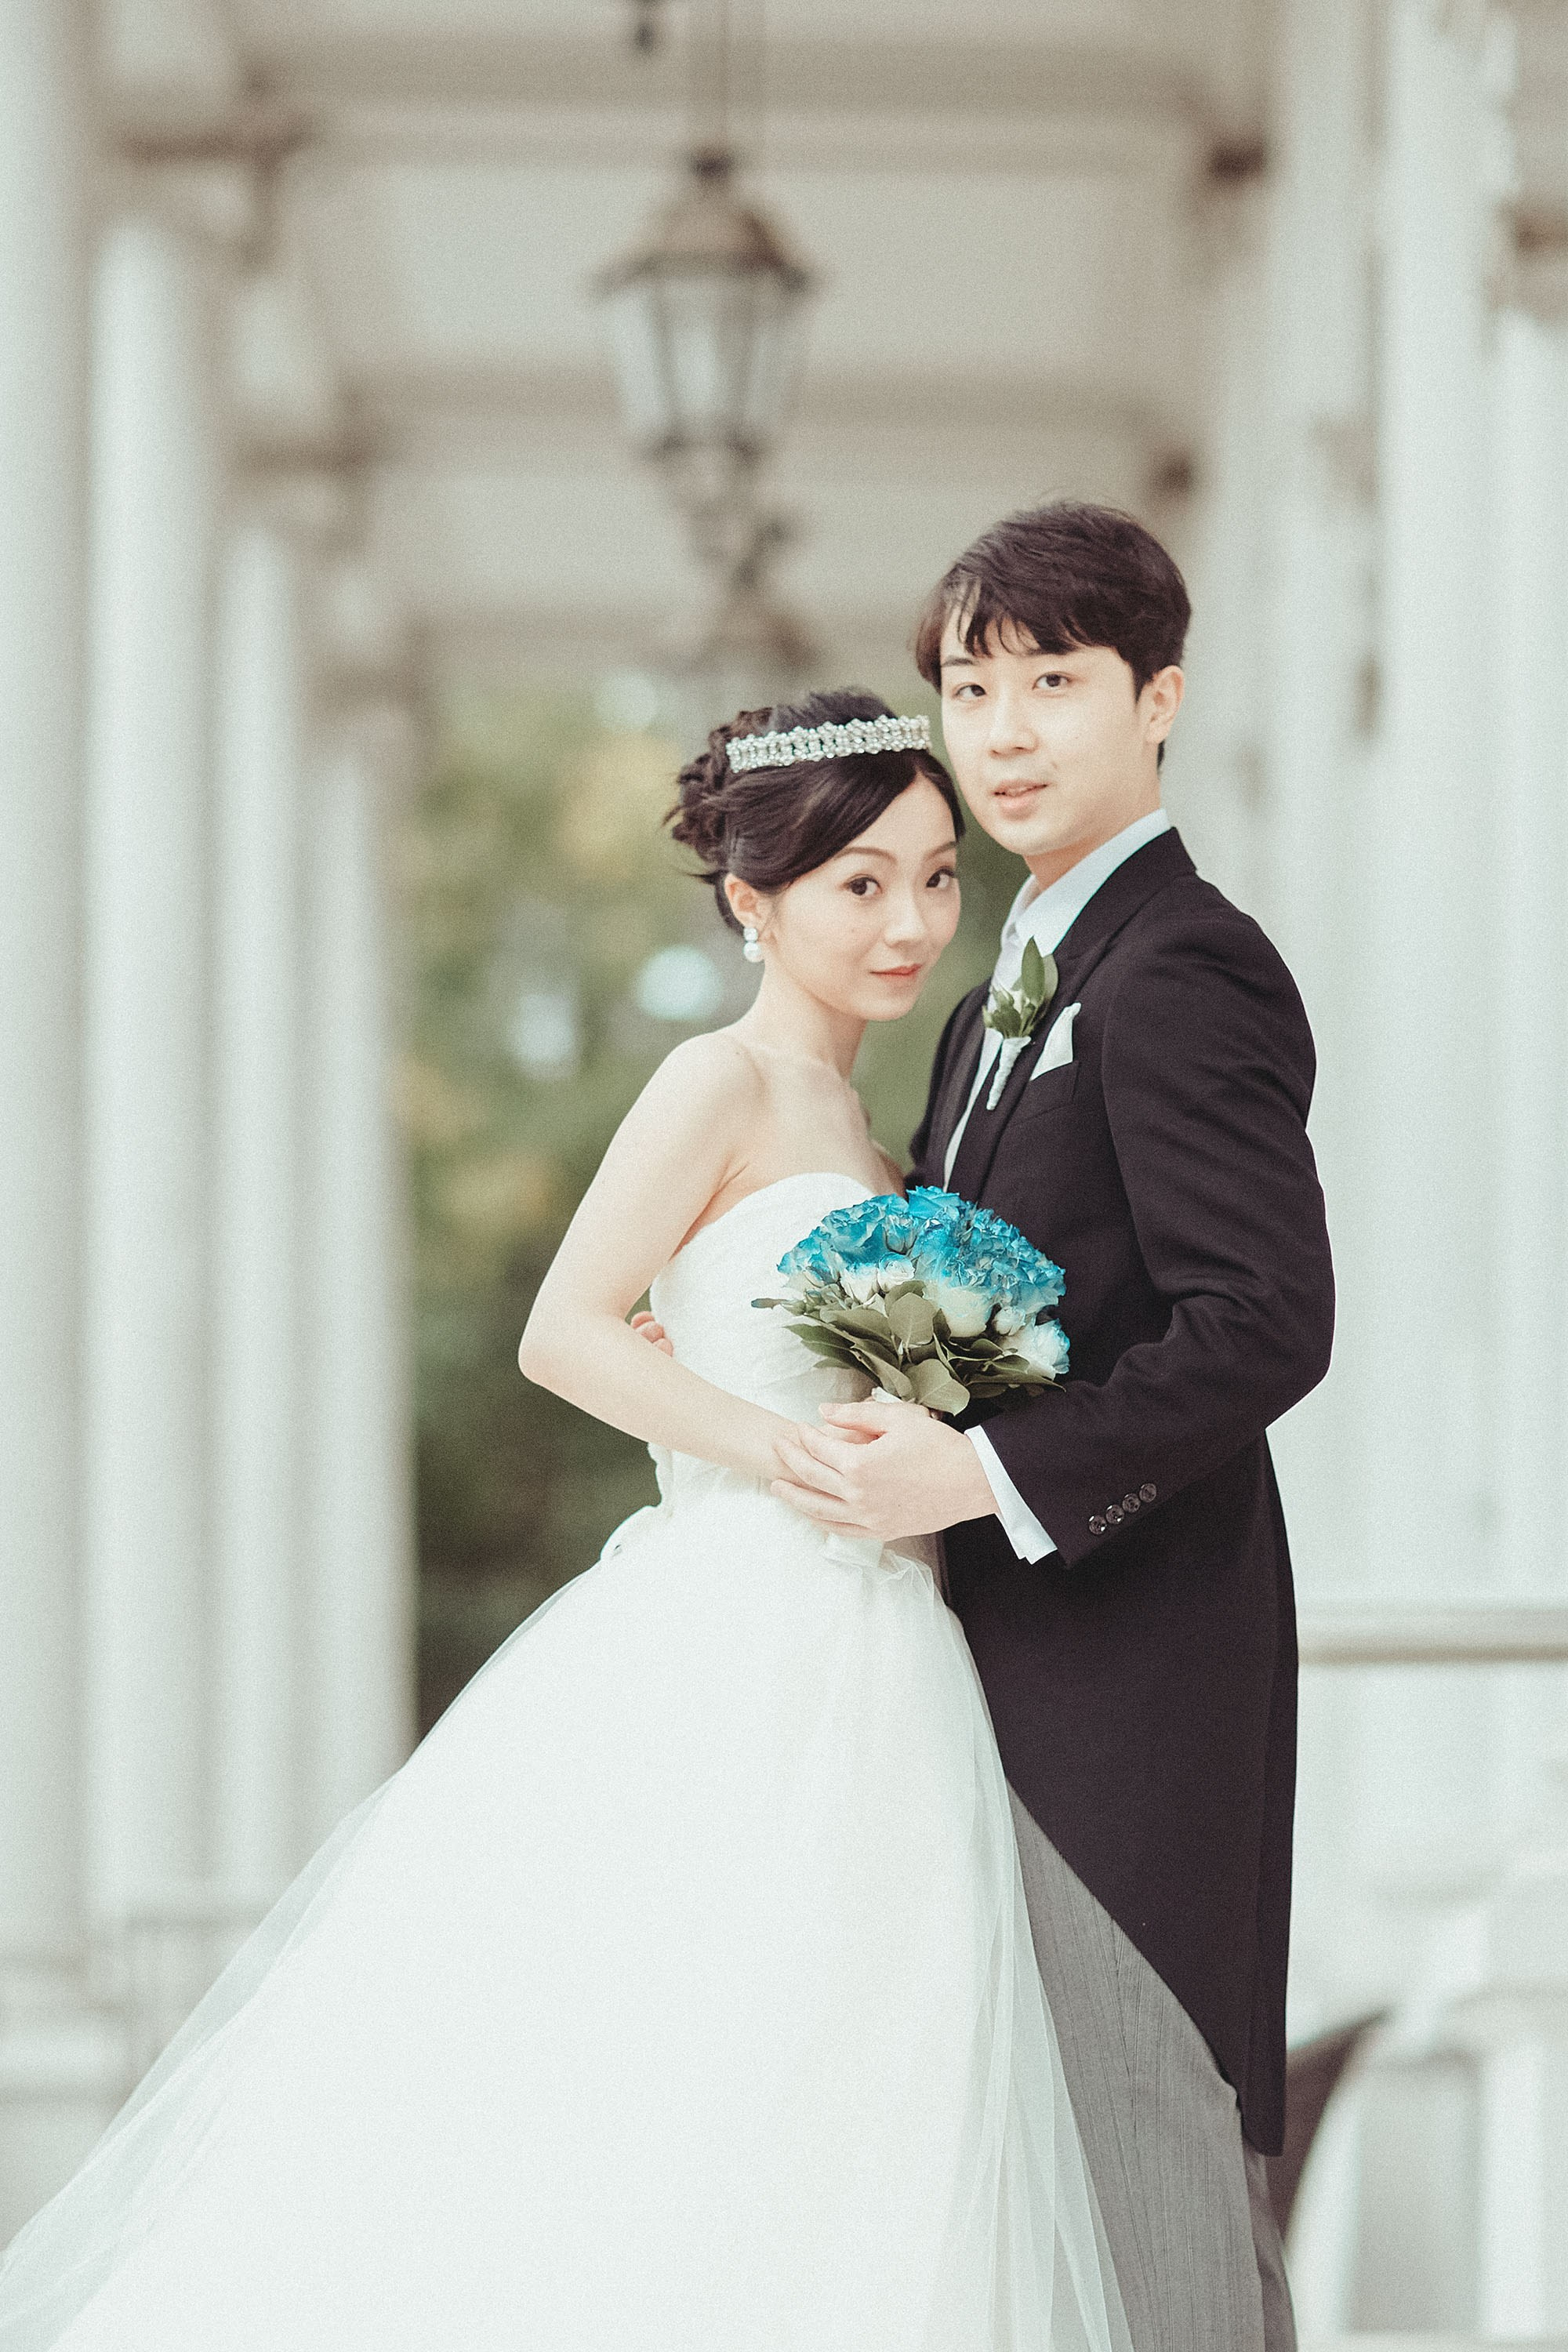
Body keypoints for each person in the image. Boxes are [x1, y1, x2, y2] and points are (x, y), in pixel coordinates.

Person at [0, 689, 1129, 2352]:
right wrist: (781, 1451)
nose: (909, 922)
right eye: (859, 884)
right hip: (747, 1630)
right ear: (752, 900)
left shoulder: (891, 1140)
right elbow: (565, 1330)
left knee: (869, 2079)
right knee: (689, 2061)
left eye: (935, 878)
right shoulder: (715, 1084)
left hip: (899, 1661)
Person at [770, 505, 1335, 2352]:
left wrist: (989, 1471)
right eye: (971, 685)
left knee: (1145, 2163)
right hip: (991, 1670)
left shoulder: (1182, 966)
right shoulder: (1004, 996)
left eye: (1055, 683)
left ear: (1157, 700)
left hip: (1134, 1678)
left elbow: (1265, 1321)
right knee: (1024, 2185)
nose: (1004, 730)